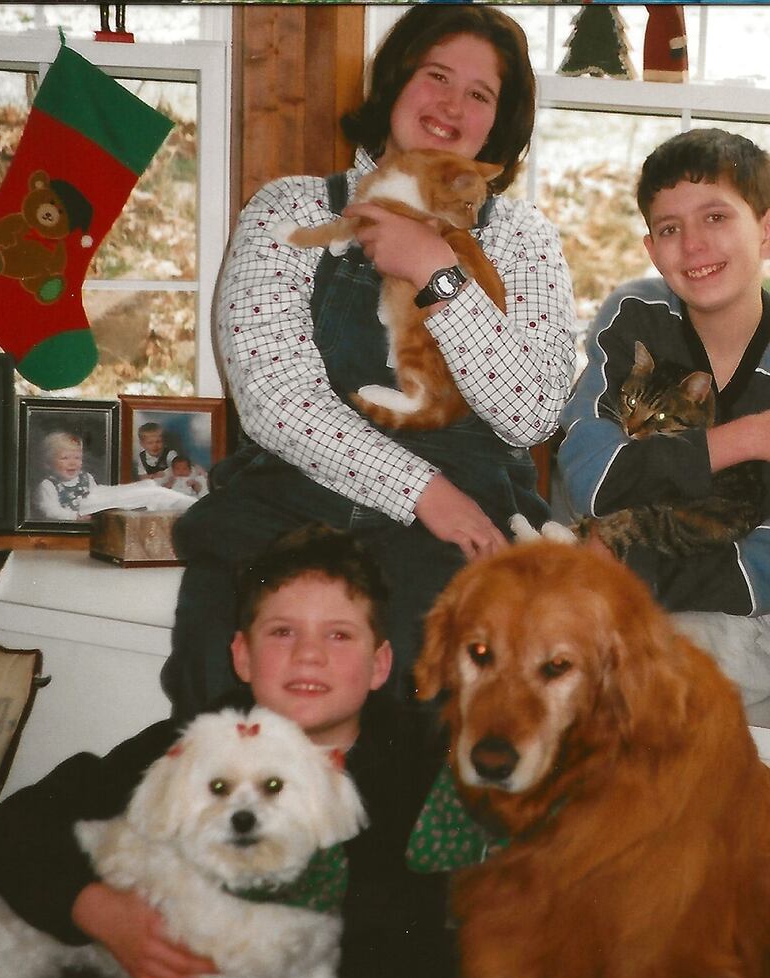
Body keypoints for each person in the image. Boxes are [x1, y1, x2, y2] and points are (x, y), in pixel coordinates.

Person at [164, 5, 577, 719]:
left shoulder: (525, 241)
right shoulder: (288, 210)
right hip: (290, 503)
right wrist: (422, 492)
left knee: (427, 699)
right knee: (224, 689)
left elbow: (532, 411)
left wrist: (437, 270)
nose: (452, 104)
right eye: (436, 76)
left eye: (480, 95)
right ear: (395, 83)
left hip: (467, 519)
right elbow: (275, 401)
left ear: (498, 124)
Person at [0, 525, 461, 978]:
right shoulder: (189, 747)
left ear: (380, 664)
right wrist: (100, 911)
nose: (309, 654)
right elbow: (15, 826)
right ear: (242, 655)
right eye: (283, 632)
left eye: (338, 634)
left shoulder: (421, 762)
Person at [555, 128, 770, 724]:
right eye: (670, 229)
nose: (693, 245)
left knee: (661, 695)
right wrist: (745, 439)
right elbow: (592, 479)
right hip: (591, 581)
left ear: (768, 230)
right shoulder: (636, 317)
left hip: (731, 616)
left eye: (716, 217)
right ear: (651, 247)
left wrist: (626, 568)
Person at [30, 430, 99, 521]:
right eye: (65, 458)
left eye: (77, 458)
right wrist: (75, 516)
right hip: (64, 529)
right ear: (49, 463)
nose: (72, 463)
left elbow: (97, 499)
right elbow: (51, 511)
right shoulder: (48, 485)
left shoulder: (87, 479)